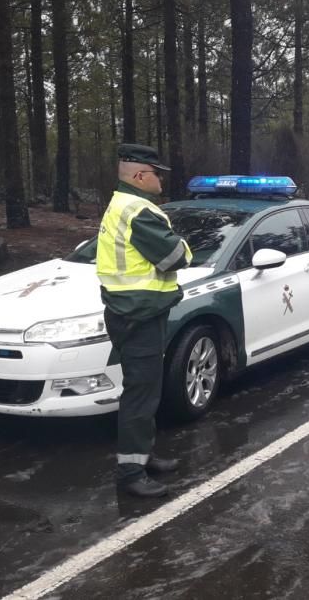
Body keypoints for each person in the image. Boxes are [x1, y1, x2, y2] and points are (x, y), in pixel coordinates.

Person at [97, 143, 193, 498]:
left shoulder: (119, 204)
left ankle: (143, 454)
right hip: (139, 315)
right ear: (139, 175)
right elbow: (174, 257)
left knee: (146, 391)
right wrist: (183, 245)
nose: (161, 182)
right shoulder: (138, 211)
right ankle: (130, 473)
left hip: (131, 311)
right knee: (140, 395)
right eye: (157, 174)